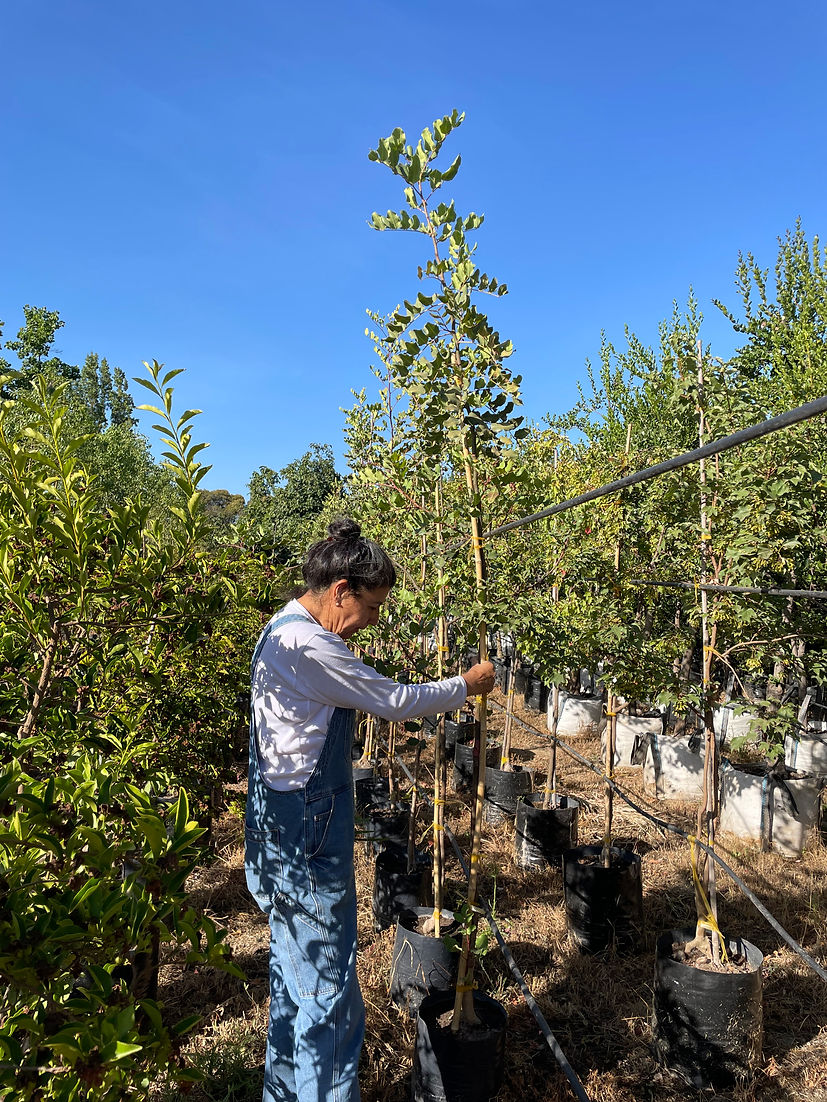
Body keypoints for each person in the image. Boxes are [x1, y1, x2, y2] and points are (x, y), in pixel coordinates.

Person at [245, 518, 494, 1102]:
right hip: (304, 832)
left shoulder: (280, 627)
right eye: (374, 605)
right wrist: (465, 683)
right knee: (329, 995)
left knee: (294, 977)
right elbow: (393, 702)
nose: (376, 619)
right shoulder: (311, 645)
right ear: (340, 591)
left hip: (279, 824)